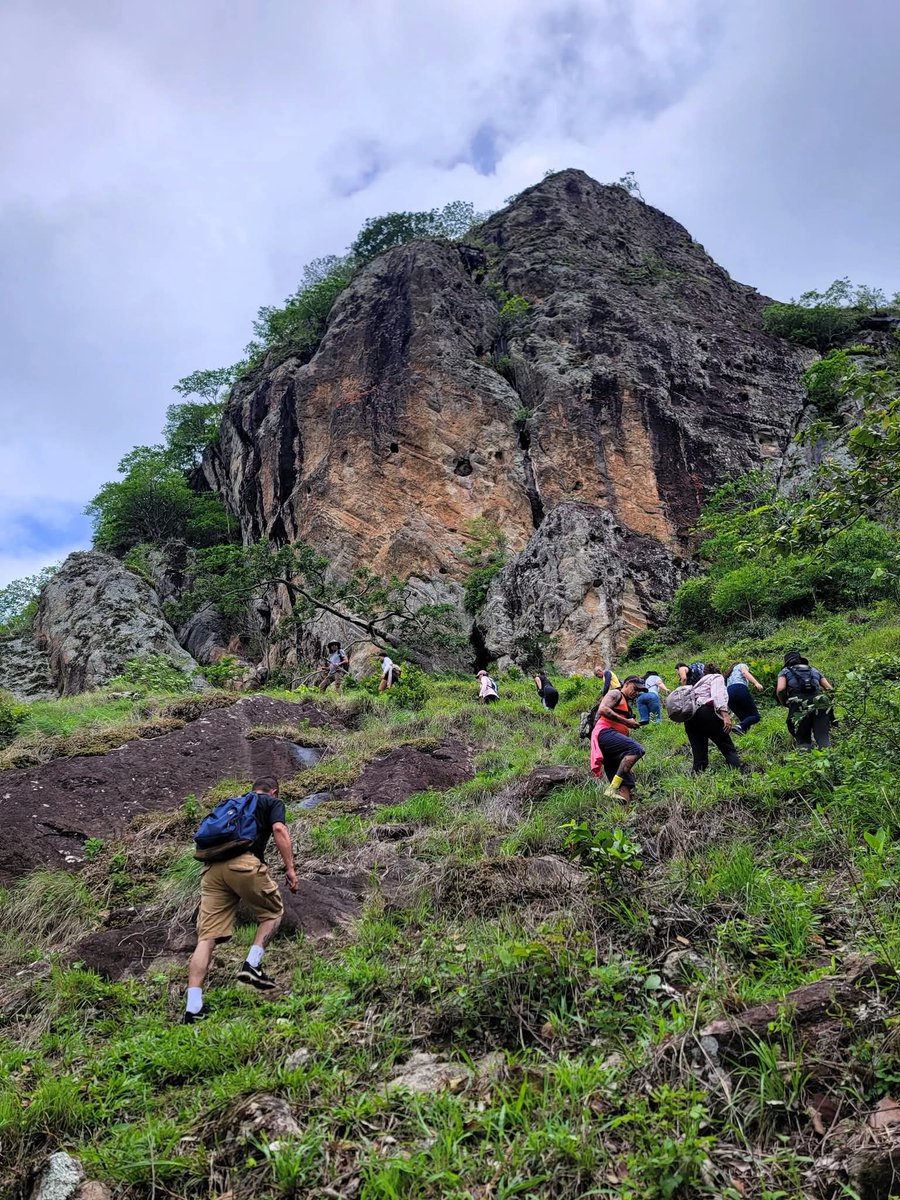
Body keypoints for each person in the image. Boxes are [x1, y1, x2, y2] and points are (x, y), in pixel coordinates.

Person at [184, 777, 298, 1024]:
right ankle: (252, 965)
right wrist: (290, 868)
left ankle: (193, 1007)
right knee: (272, 913)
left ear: (253, 787)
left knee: (207, 938)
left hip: (212, 870)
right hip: (244, 864)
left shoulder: (233, 803)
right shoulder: (271, 802)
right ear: (274, 791)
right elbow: (279, 829)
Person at [594, 675, 649, 801]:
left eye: (639, 691)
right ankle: (612, 788)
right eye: (635, 688)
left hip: (611, 742)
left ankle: (623, 816)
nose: (636, 692)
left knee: (626, 783)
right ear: (627, 683)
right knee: (637, 750)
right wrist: (626, 722)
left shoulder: (626, 705)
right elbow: (602, 709)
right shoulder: (616, 693)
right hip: (605, 733)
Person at [683, 663, 741, 774]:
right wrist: (725, 716)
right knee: (728, 749)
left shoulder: (697, 684)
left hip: (690, 719)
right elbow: (717, 695)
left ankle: (695, 783)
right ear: (718, 671)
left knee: (700, 758)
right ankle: (737, 778)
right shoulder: (716, 677)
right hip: (706, 713)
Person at [777, 650, 834, 750]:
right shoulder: (814, 670)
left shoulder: (785, 671)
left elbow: (781, 689)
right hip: (820, 702)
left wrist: (785, 703)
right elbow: (830, 689)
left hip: (798, 704)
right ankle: (830, 762)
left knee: (803, 741)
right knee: (823, 738)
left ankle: (806, 762)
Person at [726, 662, 764, 734]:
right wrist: (756, 683)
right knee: (755, 716)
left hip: (728, 695)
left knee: (745, 721)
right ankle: (740, 726)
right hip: (739, 688)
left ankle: (745, 736)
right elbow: (744, 673)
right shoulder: (741, 665)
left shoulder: (729, 675)